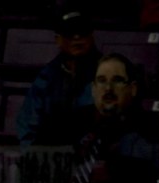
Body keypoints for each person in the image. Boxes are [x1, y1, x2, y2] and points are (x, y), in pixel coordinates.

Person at [62, 53, 159, 183]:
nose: (108, 89)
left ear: (132, 89)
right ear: (93, 89)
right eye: (101, 81)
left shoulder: (151, 133)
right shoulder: (75, 126)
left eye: (117, 81)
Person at [16, 8, 101, 149]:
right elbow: (28, 127)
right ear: (58, 39)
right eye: (70, 33)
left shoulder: (109, 71)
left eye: (82, 31)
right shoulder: (46, 77)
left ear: (92, 35)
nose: (77, 37)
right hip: (54, 159)